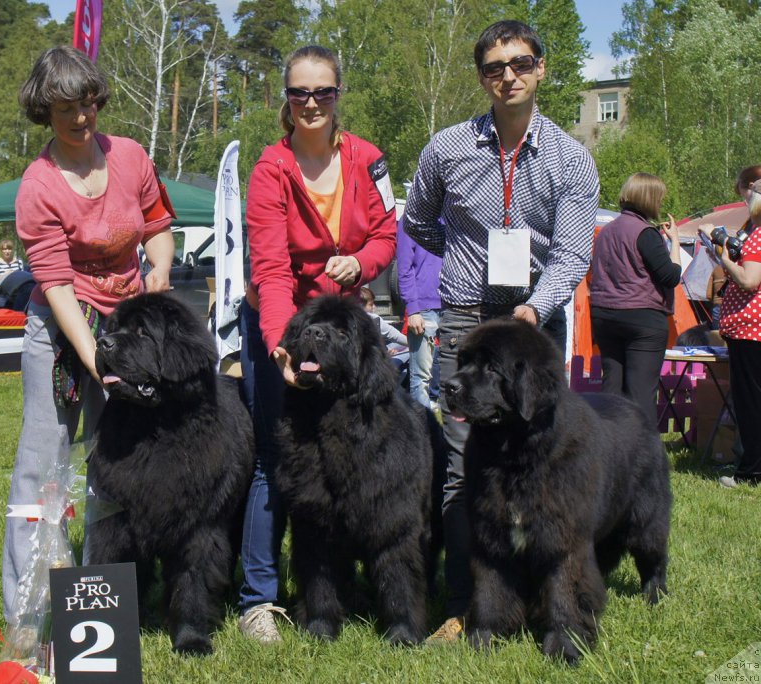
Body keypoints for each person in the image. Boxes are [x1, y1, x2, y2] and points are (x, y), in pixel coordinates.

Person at [403, 19, 599, 641]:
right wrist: (468, 262)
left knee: (543, 462)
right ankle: (466, 605)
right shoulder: (447, 147)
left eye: (519, 64)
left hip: (535, 326)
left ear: (540, 69)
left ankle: (549, 594)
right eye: (494, 67)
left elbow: (572, 252)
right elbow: (418, 222)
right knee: (466, 466)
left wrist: (534, 306)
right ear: (481, 76)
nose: (508, 76)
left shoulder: (570, 157)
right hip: (467, 319)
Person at [2, 46, 174, 625]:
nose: (80, 117)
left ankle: (113, 598)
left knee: (119, 459)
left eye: (88, 104)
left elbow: (157, 224)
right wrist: (96, 359)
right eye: (65, 109)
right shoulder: (38, 186)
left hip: (125, 326)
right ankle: (28, 617)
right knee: (41, 463)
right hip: (60, 331)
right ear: (44, 112)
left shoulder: (130, 155)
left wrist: (160, 268)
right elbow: (55, 284)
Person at [240, 45, 397, 643]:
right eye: (299, 92)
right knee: (274, 460)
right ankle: (260, 600)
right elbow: (271, 269)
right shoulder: (269, 170)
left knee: (358, 451)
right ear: (286, 98)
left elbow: (387, 233)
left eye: (323, 92)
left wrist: (362, 262)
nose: (311, 103)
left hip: (346, 332)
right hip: (282, 325)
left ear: (338, 95)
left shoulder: (369, 160)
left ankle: (343, 583)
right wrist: (283, 346)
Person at [589, 173, 681, 425]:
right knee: (640, 394)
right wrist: (674, 243)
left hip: (604, 314)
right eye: (659, 198)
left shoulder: (606, 231)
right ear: (649, 199)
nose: (660, 203)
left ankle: (606, 444)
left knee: (611, 390)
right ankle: (644, 447)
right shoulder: (645, 232)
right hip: (642, 318)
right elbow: (671, 276)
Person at [717, 177, 761, 488]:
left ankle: (751, 471)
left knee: (751, 403)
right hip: (752, 330)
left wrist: (725, 261)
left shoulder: (758, 237)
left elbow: (749, 280)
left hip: (750, 330)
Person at [396, 220, 442, 409]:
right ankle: (423, 423)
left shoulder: (452, 214)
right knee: (420, 378)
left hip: (455, 307)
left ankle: (450, 425)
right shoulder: (410, 220)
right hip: (424, 308)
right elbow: (404, 268)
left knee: (453, 374)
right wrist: (413, 309)